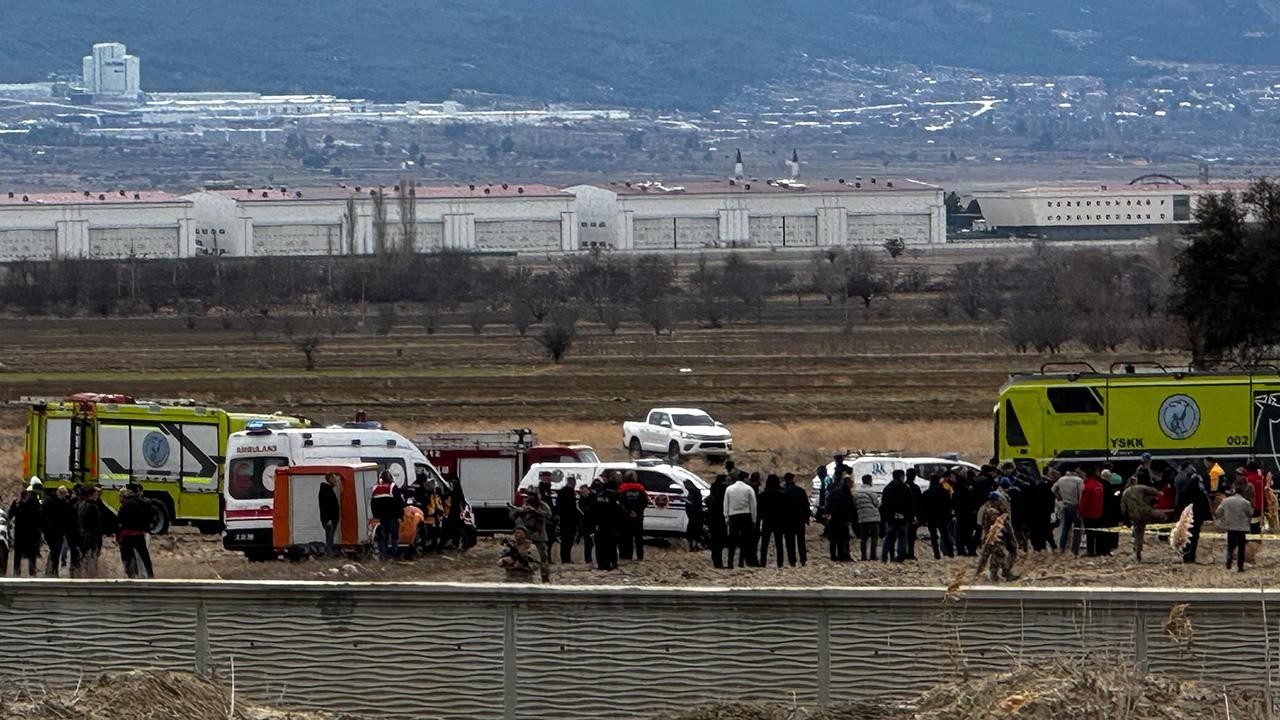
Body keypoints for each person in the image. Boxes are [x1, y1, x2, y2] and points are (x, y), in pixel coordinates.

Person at [1121, 476, 1166, 562]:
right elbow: (1152, 490)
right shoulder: (1139, 488)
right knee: (1162, 517)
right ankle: (1165, 533)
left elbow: (1123, 507)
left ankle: (1137, 548)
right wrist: (1160, 494)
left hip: (1133, 515)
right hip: (1145, 512)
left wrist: (1126, 518)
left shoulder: (1125, 493)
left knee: (1138, 532)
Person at [976, 491, 1018, 582]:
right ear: (995, 501)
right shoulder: (992, 511)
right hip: (995, 537)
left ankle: (980, 575)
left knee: (987, 556)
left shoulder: (986, 508)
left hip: (991, 537)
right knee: (997, 556)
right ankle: (999, 575)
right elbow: (1000, 524)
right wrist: (1009, 536)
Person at [510, 490, 552, 581]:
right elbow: (512, 516)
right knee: (524, 556)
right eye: (529, 495)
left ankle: (545, 577)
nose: (530, 497)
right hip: (526, 535)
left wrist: (535, 512)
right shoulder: (524, 504)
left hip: (539, 535)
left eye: (532, 495)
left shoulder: (542, 505)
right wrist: (520, 511)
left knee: (543, 558)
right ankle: (526, 576)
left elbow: (548, 515)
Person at [1174, 460, 1211, 563]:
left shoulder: (1186, 483)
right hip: (1196, 513)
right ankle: (1190, 556)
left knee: (1187, 534)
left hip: (1188, 512)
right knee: (1193, 536)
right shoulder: (1195, 485)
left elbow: (1181, 497)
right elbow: (1205, 497)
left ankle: (1187, 556)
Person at [117, 484, 154, 578]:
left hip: (127, 535)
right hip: (139, 534)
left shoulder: (125, 504)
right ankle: (150, 574)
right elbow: (149, 518)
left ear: (130, 492)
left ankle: (131, 575)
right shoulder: (145, 503)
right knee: (144, 556)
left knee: (128, 556)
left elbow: (120, 519)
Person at [41, 485, 76, 577]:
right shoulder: (49, 502)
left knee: (56, 551)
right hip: (51, 532)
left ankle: (52, 571)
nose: (64, 496)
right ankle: (52, 571)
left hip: (59, 532)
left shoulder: (64, 503)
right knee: (54, 551)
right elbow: (43, 516)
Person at [723, 473, 757, 569]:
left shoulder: (729, 489)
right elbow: (753, 505)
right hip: (746, 515)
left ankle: (730, 562)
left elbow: (726, 504)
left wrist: (726, 517)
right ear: (745, 478)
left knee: (732, 540)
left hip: (733, 515)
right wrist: (754, 519)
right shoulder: (748, 489)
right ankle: (741, 562)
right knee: (744, 540)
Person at [880, 470, 913, 563]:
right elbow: (909, 503)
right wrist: (907, 514)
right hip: (903, 516)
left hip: (891, 517)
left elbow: (885, 504)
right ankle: (900, 556)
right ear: (901, 476)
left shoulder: (887, 488)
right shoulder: (905, 488)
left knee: (889, 537)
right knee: (902, 537)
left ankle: (884, 556)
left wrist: (891, 514)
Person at [1216, 490, 1253, 572]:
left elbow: (1218, 512)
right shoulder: (1245, 502)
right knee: (1241, 548)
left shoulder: (1225, 501)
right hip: (1241, 528)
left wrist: (1223, 518)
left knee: (1230, 545)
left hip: (1230, 527)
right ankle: (1240, 566)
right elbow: (1250, 513)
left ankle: (1229, 556)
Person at [1052, 464, 1084, 555]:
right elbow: (1081, 494)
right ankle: (1074, 550)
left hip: (1065, 506)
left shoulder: (1061, 479)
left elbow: (1053, 489)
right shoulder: (1078, 480)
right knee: (1077, 529)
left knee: (1065, 528)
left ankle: (1062, 548)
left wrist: (1059, 497)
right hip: (1076, 506)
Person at [920, 474, 955, 559]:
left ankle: (936, 554)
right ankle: (950, 553)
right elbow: (949, 505)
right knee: (945, 535)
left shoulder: (926, 493)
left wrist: (923, 519)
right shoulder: (944, 492)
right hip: (942, 517)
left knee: (933, 536)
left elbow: (923, 507)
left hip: (931, 518)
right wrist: (949, 515)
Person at [370, 472, 403, 560]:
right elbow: (399, 503)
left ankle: (383, 555)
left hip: (380, 518)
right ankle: (394, 555)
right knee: (394, 537)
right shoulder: (392, 487)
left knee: (382, 537)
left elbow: (372, 504)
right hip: (392, 517)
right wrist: (400, 516)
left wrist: (375, 516)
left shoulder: (376, 488)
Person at [617, 471, 649, 561]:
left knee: (627, 537)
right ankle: (640, 556)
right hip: (638, 516)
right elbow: (645, 502)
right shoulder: (640, 488)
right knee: (639, 537)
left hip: (625, 517)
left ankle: (627, 555)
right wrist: (638, 512)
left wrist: (628, 512)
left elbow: (619, 502)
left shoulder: (622, 488)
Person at [10, 486, 42, 577]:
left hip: (30, 532)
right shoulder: (17, 503)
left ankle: (31, 571)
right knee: (19, 553)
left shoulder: (33, 503)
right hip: (21, 532)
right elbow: (10, 515)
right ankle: (17, 571)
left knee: (31, 553)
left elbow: (39, 517)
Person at [757, 475, 787, 568]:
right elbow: (785, 510)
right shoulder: (782, 494)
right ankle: (780, 563)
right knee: (779, 543)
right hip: (779, 520)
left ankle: (763, 562)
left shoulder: (763, 494)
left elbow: (760, 509)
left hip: (767, 520)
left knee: (764, 543)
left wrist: (759, 521)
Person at [75, 486, 104, 577]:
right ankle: (91, 574)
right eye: (95, 494)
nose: (97, 496)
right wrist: (100, 543)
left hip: (82, 534)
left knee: (84, 556)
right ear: (91, 495)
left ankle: (82, 573)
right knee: (92, 557)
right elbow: (97, 525)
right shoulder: (93, 507)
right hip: (92, 536)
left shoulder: (81, 505)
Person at [590, 477, 619, 571]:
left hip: (599, 523)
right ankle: (609, 563)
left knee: (600, 544)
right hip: (609, 523)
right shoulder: (613, 496)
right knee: (609, 543)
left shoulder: (598, 494)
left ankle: (600, 563)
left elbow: (593, 509)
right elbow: (615, 510)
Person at [780, 473, 809, 567]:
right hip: (799, 519)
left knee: (789, 541)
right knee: (801, 541)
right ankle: (803, 559)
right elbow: (806, 505)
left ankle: (792, 560)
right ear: (793, 479)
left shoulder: (782, 492)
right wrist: (806, 518)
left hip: (787, 520)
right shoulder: (800, 491)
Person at [851, 474, 881, 561]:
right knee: (874, 538)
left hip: (862, 518)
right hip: (874, 517)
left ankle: (863, 556)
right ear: (870, 481)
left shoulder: (857, 493)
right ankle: (872, 555)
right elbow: (877, 504)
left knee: (863, 538)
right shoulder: (871, 491)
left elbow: (855, 505)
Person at [826, 474, 854, 562]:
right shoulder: (846, 493)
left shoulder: (834, 492)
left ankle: (833, 556)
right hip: (843, 518)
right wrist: (850, 518)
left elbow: (828, 506)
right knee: (843, 538)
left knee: (834, 538)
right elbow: (849, 506)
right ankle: (842, 555)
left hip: (834, 518)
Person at [1079, 468, 1105, 557]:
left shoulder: (1087, 486)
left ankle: (1090, 551)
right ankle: (1098, 550)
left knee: (1089, 533)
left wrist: (1080, 512)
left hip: (1088, 513)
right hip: (1098, 513)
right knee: (1097, 532)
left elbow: (1084, 501)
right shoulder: (1100, 486)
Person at [556, 476, 580, 564]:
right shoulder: (568, 492)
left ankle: (566, 558)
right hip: (568, 520)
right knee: (567, 540)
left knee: (566, 541)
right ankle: (566, 559)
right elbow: (572, 508)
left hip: (565, 519)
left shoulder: (563, 492)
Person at [707, 474, 728, 568]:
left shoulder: (713, 490)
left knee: (714, 541)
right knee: (719, 542)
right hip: (720, 518)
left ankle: (716, 561)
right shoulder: (723, 490)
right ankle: (719, 563)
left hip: (712, 518)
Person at [319, 472, 340, 557]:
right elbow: (325, 506)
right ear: (330, 479)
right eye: (334, 478)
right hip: (329, 519)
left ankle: (329, 552)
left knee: (330, 537)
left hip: (332, 519)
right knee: (329, 537)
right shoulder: (326, 490)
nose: (335, 480)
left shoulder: (329, 489)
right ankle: (329, 553)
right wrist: (328, 519)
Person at [903, 468, 923, 560]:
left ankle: (903, 552)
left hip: (902, 514)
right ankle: (910, 553)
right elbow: (919, 503)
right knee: (911, 536)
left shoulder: (902, 486)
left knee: (903, 536)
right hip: (913, 514)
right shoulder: (916, 487)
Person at [683, 479, 704, 552]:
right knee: (695, 530)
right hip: (694, 514)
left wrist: (686, 501)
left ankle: (694, 545)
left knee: (693, 530)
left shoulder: (694, 492)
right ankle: (694, 545)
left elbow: (693, 503)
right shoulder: (694, 491)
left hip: (695, 514)